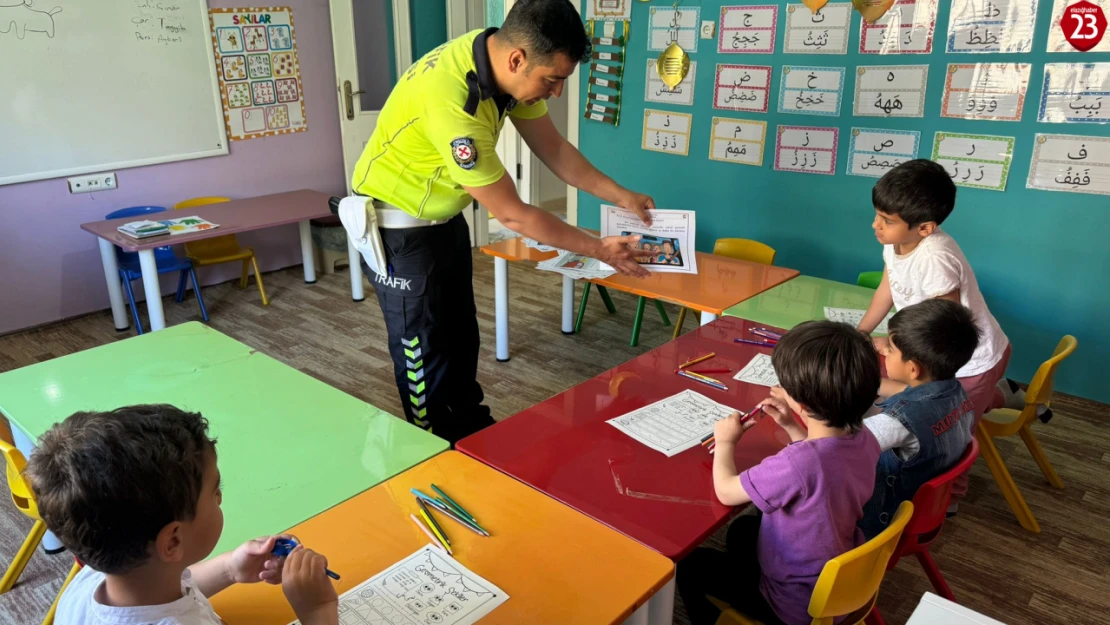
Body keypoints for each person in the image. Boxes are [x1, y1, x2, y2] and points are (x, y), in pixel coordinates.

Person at [346, 0, 654, 444]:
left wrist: (620, 194)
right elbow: (512, 213)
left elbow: (556, 151)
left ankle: (475, 435)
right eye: (553, 80)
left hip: (443, 218)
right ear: (518, 59)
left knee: (460, 336)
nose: (556, 93)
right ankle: (434, 448)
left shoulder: (499, 66)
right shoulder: (455, 101)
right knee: (424, 355)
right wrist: (600, 249)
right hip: (398, 231)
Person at [25, 405, 339, 625]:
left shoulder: (95, 577)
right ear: (173, 540)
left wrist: (231, 568)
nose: (220, 498)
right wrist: (318, 611)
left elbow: (168, 585)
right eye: (215, 492)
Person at [677, 322, 882, 625]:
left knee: (689, 566)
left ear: (802, 403)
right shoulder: (866, 438)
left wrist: (725, 442)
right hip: (835, 580)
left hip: (793, 606)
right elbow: (821, 471)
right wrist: (790, 425)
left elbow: (727, 491)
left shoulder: (797, 463)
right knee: (743, 530)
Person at [857, 159, 1010, 503]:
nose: (875, 225)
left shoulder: (935, 257)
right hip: (941, 354)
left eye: (886, 220)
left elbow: (945, 325)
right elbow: (887, 287)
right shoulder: (896, 241)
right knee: (944, 403)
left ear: (924, 228)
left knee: (951, 428)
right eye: (877, 214)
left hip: (967, 360)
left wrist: (897, 342)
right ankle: (1000, 394)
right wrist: (862, 331)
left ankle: (949, 497)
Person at [860, 299, 980, 538]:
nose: (884, 351)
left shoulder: (897, 423)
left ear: (913, 369)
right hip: (922, 512)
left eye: (891, 349)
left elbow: (837, 446)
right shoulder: (955, 392)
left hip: (881, 521)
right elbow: (912, 396)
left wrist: (800, 409)